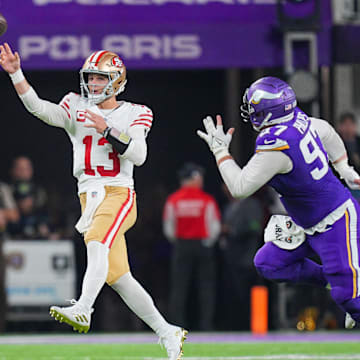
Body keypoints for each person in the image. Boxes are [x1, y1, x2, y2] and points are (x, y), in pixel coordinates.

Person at [0, 43, 187, 359]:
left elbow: (139, 155)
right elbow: (40, 109)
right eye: (90, 78)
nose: (93, 84)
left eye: (100, 78)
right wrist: (16, 73)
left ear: (115, 80)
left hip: (118, 193)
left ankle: (84, 308)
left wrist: (106, 128)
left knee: (97, 241)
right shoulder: (76, 105)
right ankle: (168, 331)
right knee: (119, 278)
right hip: (88, 195)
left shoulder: (135, 112)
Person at [197, 76, 360, 329]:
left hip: (335, 220)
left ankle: (350, 288)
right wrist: (343, 166)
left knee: (348, 297)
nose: (250, 112)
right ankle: (340, 281)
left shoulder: (277, 144)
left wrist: (220, 151)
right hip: (306, 223)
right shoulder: (298, 119)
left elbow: (239, 188)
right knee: (269, 264)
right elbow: (326, 130)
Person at [162, 162, 221, 330]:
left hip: (182, 246)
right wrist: (207, 242)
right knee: (206, 287)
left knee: (179, 287)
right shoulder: (206, 200)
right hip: (202, 245)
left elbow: (168, 228)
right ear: (194, 178)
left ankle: (177, 325)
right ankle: (206, 325)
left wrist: (179, 241)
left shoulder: (173, 200)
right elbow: (214, 226)